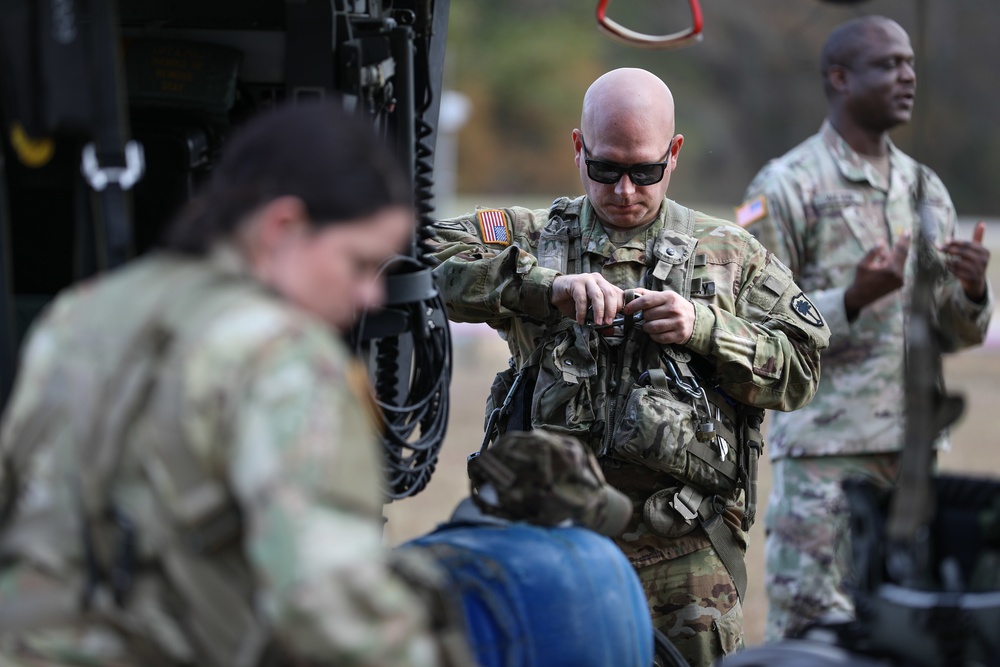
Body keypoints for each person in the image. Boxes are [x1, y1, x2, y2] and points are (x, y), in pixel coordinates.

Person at [0, 102, 477, 666]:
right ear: (284, 228)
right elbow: (333, 607)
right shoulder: (280, 354)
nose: (370, 295)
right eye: (358, 262)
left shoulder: (81, 313)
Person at [429, 67, 831, 667]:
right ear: (577, 148)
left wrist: (705, 328)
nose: (623, 190)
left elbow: (801, 365)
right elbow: (422, 260)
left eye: (643, 171)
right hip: (551, 546)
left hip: (685, 556)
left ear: (673, 154)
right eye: (605, 168)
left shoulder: (731, 256)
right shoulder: (536, 238)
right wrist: (544, 288)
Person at [738, 15, 993, 642]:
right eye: (888, 64)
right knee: (814, 635)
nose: (908, 75)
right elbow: (750, 330)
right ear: (840, 78)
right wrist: (852, 298)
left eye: (909, 62)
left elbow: (953, 334)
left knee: (914, 634)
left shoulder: (924, 189)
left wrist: (972, 292)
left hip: (913, 458)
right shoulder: (786, 186)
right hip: (827, 460)